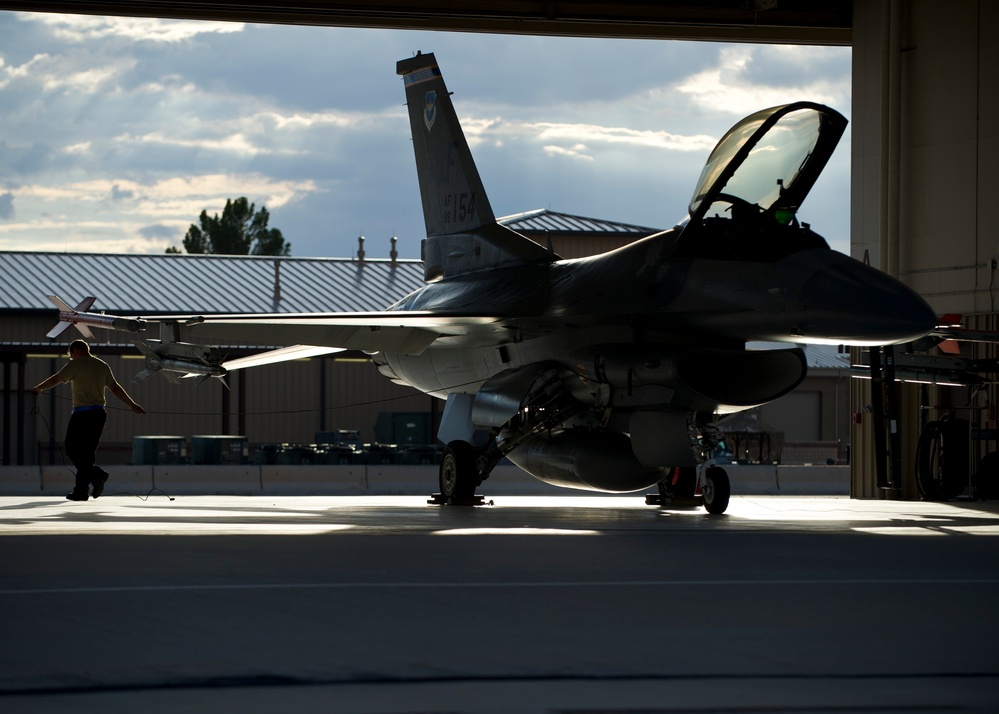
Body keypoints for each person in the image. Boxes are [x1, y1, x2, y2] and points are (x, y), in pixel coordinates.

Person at [32, 339, 145, 501]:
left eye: (71, 354)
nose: (71, 357)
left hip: (82, 414)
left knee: (71, 448)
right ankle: (81, 491)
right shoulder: (102, 365)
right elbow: (115, 388)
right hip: (99, 415)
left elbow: (56, 379)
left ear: (76, 350)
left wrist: (38, 388)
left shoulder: (75, 364)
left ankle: (96, 475)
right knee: (87, 454)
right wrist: (132, 405)